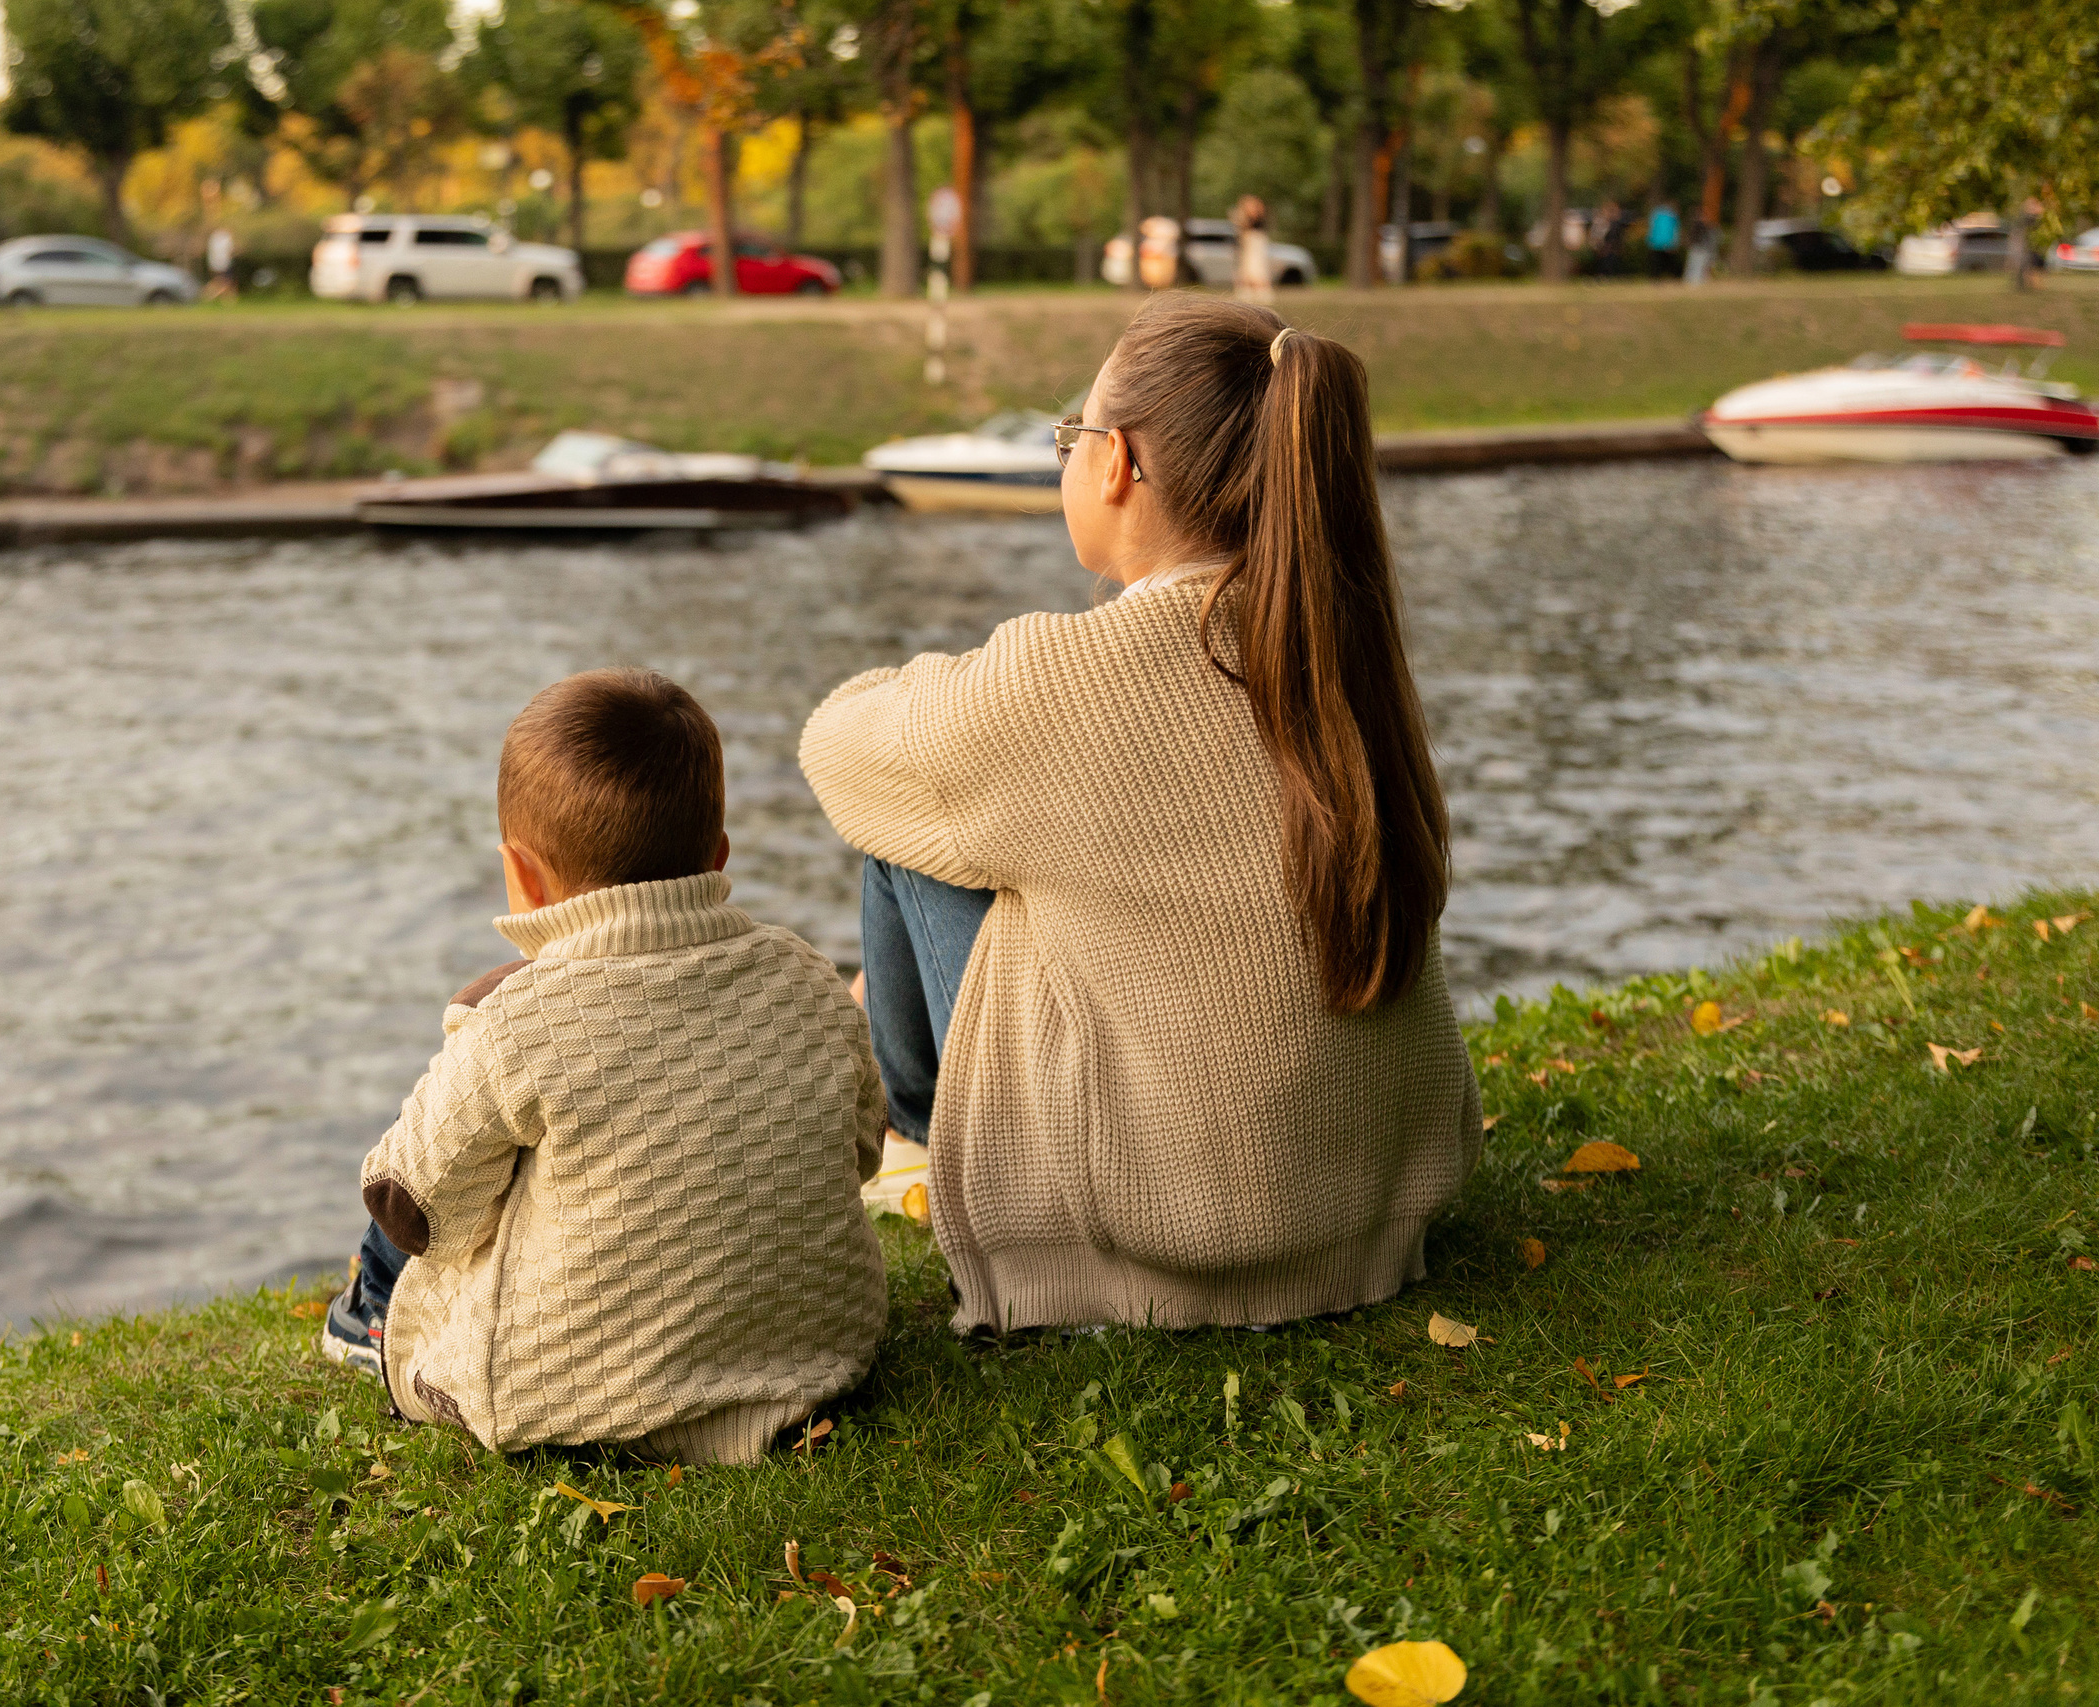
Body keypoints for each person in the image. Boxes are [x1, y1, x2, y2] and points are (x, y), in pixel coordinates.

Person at [800, 295, 1481, 1337]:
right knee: (1005, 830)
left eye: (1067, 437)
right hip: (1370, 1213)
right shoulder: (1336, 642)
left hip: (1157, 1232)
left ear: (1114, 461)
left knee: (913, 835)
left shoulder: (1064, 679)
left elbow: (837, 747)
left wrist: (963, 682)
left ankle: (913, 1139)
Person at [324, 668, 890, 1464]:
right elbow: (863, 1147)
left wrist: (469, 1030)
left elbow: (411, 1201)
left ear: (520, 873)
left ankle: (363, 1319)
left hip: (572, 1397)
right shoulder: (807, 977)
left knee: (433, 1172)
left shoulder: (517, 1021)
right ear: (719, 853)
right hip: (815, 1359)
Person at [1230, 194, 1275, 306]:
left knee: (1257, 268)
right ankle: (1247, 291)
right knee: (1246, 268)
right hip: (1247, 243)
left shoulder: (1258, 216)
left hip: (1255, 242)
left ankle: (1261, 292)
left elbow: (1250, 227)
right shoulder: (1244, 216)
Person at [1646, 201, 1682, 281]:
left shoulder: (1655, 214)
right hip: (1667, 243)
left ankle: (1655, 278)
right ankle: (1676, 277)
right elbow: (1676, 230)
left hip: (1656, 242)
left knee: (1657, 263)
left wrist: (1650, 240)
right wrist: (1675, 242)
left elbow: (1652, 228)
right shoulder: (1672, 216)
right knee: (1670, 262)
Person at [205, 225, 236, 302]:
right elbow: (230, 250)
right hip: (224, 263)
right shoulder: (225, 237)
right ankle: (209, 295)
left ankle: (225, 299)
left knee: (221, 281)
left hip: (215, 263)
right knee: (225, 281)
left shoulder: (214, 237)